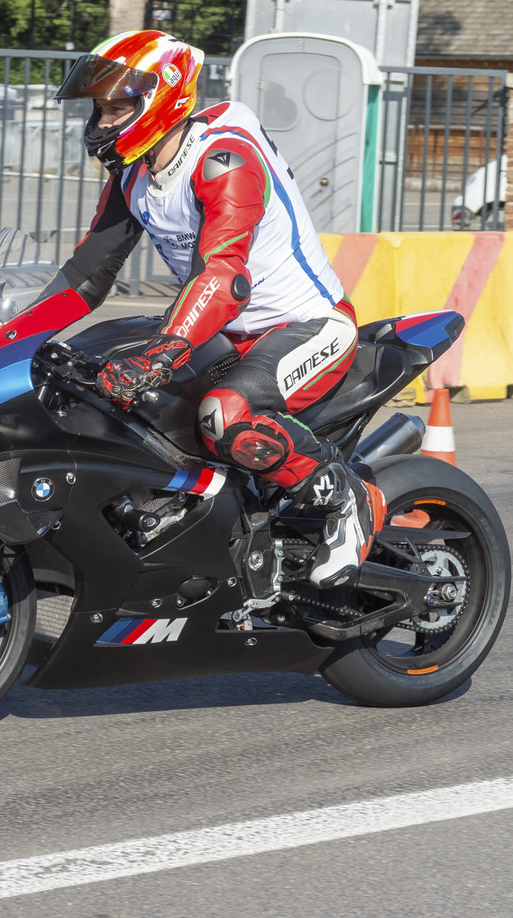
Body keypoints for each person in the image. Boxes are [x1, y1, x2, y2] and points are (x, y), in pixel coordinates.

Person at [44, 29, 381, 589]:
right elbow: (85, 275)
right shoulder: (134, 172)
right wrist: (4, 337)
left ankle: (350, 498)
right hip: (223, 333)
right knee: (101, 391)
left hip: (307, 326)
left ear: (162, 98)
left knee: (223, 415)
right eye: (100, 108)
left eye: (118, 106)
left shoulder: (224, 162)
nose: (103, 121)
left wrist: (164, 350)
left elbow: (224, 278)